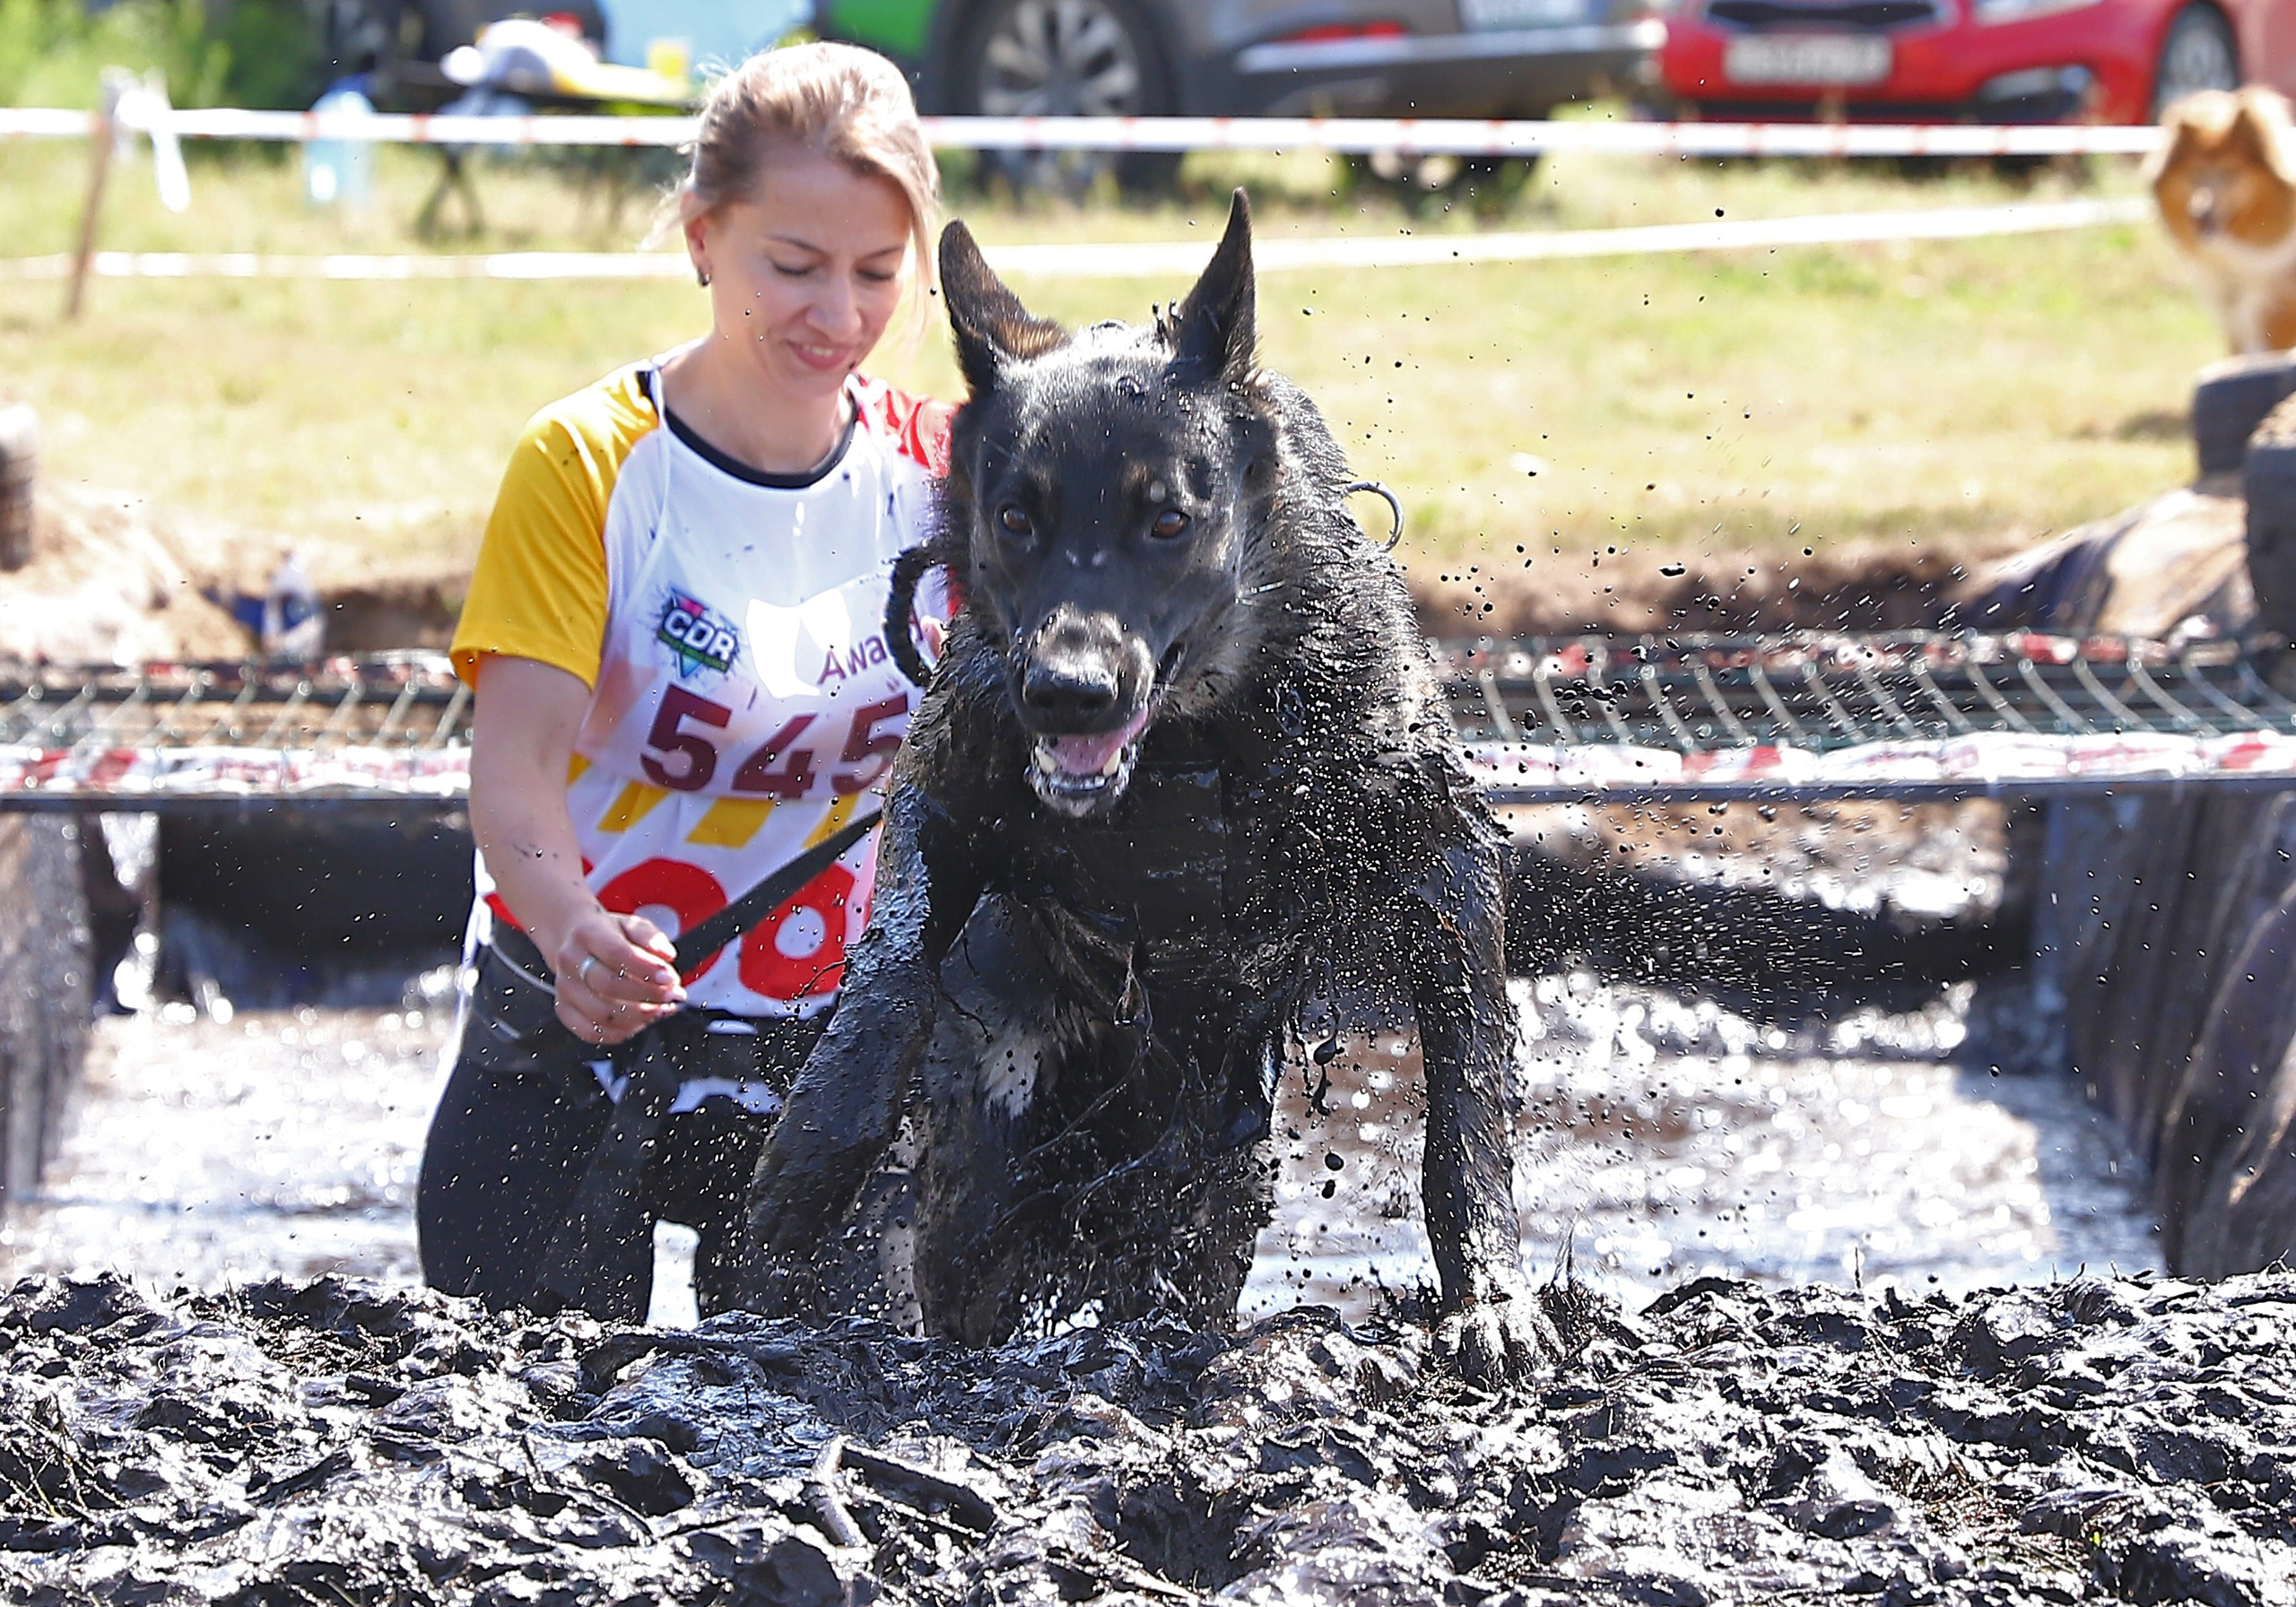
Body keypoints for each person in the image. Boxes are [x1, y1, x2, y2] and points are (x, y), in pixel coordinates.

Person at [416, 41, 952, 1324]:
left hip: (826, 1061)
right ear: (704, 240)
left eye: (878, 272)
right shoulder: (585, 465)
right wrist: (572, 931)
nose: (839, 316)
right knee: (510, 1417)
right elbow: (512, 772)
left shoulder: (948, 475)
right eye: (794, 267)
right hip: (574, 1032)